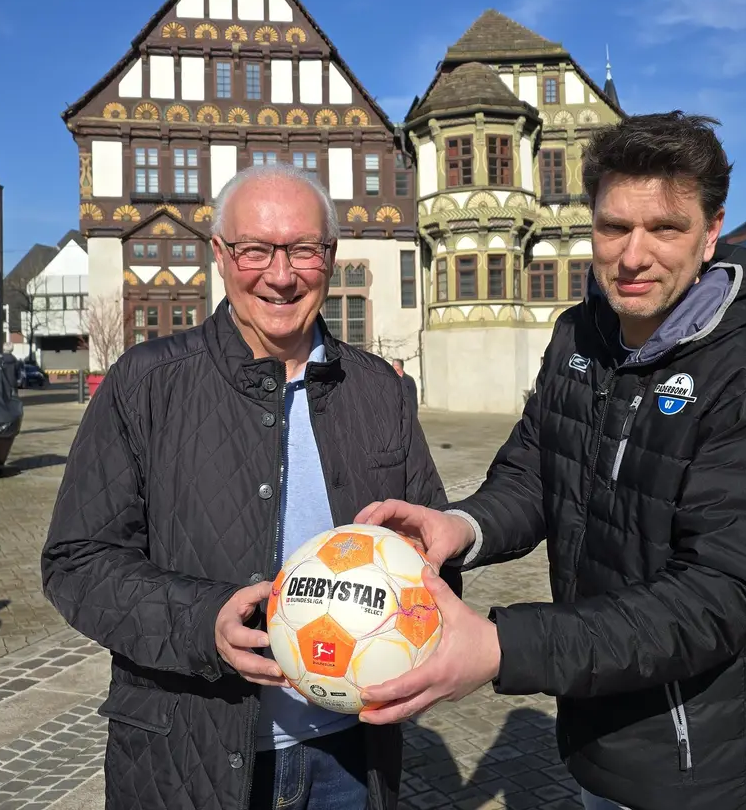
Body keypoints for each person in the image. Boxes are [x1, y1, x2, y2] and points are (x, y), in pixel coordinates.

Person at [354, 112, 746, 810]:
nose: (633, 257)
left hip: (690, 753)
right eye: (613, 227)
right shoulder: (579, 332)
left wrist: (503, 647)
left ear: (711, 231)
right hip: (592, 720)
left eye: (664, 228)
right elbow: (537, 472)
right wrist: (459, 528)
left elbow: (722, 596)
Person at [41, 164, 452, 810]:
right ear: (220, 256)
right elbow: (77, 562)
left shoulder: (380, 392)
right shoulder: (145, 386)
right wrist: (204, 622)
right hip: (187, 759)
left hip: (350, 760)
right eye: (255, 249)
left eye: (302, 250)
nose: (281, 275)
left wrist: (417, 588)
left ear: (330, 255)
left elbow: (439, 553)